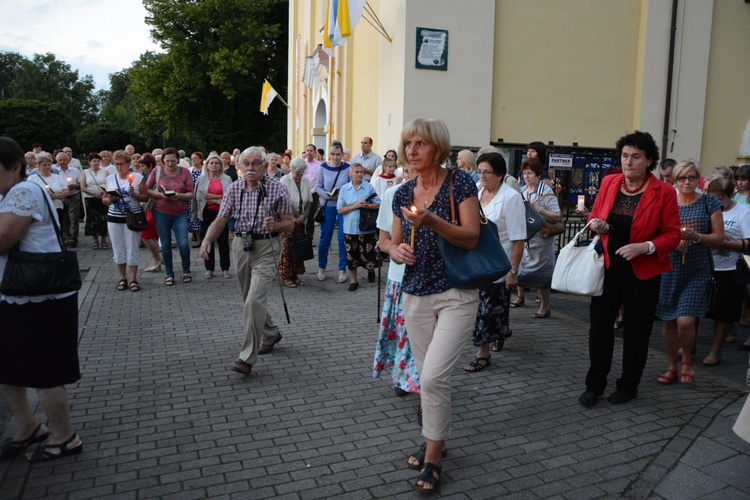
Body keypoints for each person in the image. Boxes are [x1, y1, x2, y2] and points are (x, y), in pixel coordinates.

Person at [387, 118, 481, 493]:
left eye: (420, 144)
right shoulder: (402, 192)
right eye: (408, 143)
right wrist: (397, 250)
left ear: (438, 148)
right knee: (429, 380)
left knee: (432, 377)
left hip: (456, 293)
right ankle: (434, 439)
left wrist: (433, 221)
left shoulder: (460, 183)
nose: (412, 151)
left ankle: (434, 458)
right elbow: (392, 244)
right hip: (415, 294)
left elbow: (472, 237)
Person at [579, 130, 682, 408]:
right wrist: (597, 225)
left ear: (649, 160)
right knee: (599, 328)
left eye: (636, 156)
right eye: (625, 156)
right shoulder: (611, 182)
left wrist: (645, 246)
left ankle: (628, 385)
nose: (628, 162)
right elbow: (595, 216)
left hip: (643, 273)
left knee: (637, 332)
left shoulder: (665, 192)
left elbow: (672, 235)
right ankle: (595, 384)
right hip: (609, 268)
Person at [0, 136, 82, 463]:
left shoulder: (22, 191)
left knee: (45, 371)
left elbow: (3, 240)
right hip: (21, 295)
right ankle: (28, 427)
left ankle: (65, 437)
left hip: (40, 297)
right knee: (7, 366)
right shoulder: (20, 190)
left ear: (15, 167)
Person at [200, 147, 293, 375]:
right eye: (246, 164)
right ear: (240, 166)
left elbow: (290, 223)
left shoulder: (277, 189)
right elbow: (221, 219)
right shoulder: (233, 189)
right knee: (249, 299)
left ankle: (246, 358)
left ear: (264, 166)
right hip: (241, 246)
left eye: (256, 164)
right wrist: (207, 240)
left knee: (253, 300)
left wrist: (277, 226)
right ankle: (271, 333)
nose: (251, 168)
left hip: (268, 247)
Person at [655, 159, 724, 385]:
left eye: (692, 177)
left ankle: (686, 359)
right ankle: (671, 366)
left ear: (698, 179)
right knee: (668, 321)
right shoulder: (666, 201)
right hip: (669, 268)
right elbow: (653, 233)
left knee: (685, 320)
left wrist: (697, 237)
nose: (687, 181)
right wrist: (672, 243)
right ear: (674, 179)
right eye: (682, 177)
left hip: (697, 268)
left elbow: (719, 238)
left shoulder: (709, 202)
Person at [464, 152, 526, 372]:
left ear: (499, 174)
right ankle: (503, 331)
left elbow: (519, 238)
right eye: (479, 171)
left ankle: (483, 354)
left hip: (499, 262)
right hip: (477, 262)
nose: (482, 176)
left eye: (486, 172)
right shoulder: (478, 192)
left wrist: (513, 270)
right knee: (484, 307)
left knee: (487, 308)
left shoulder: (511, 197)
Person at [373, 163, 421, 402]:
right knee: (404, 331)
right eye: (411, 168)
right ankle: (403, 374)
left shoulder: (439, 194)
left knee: (425, 334)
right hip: (400, 276)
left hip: (431, 279)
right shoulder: (393, 195)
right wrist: (394, 250)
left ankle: (419, 378)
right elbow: (383, 240)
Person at [702, 176, 750, 365]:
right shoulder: (706, 208)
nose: (715, 202)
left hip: (730, 269)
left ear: (731, 195)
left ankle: (715, 351)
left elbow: (748, 244)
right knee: (699, 309)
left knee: (724, 313)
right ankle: (690, 346)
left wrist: (726, 244)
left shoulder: (743, 212)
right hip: (706, 265)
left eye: (720, 199)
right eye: (712, 198)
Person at [515, 158, 561, 318]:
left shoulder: (545, 191)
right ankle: (521, 297)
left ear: (538, 174)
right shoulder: (522, 190)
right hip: (526, 238)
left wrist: (538, 208)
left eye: (530, 173)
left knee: (543, 275)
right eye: (525, 173)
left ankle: (545, 306)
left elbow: (557, 215)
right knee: (521, 270)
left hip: (542, 239)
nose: (527, 176)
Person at [146, 147, 195, 286]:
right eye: (167, 161)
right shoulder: (157, 171)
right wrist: (161, 195)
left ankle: (186, 270)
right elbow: (148, 188)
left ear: (178, 160)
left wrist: (178, 195)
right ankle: (169, 273)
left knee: (183, 244)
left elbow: (192, 193)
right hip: (161, 212)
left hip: (180, 212)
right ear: (163, 161)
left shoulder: (185, 172)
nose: (170, 164)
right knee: (166, 244)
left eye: (173, 161)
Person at [102, 150, 148, 292]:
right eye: (116, 164)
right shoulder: (110, 179)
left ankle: (133, 279)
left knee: (132, 247)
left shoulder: (137, 177)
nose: (119, 167)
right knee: (118, 248)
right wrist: (109, 199)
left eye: (121, 164)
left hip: (132, 217)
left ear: (128, 163)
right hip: (114, 218)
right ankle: (123, 278)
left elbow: (146, 197)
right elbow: (104, 199)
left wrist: (135, 194)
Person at [337, 162, 381, 291]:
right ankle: (353, 280)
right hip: (350, 228)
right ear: (351, 173)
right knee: (351, 256)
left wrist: (368, 206)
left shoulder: (369, 187)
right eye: (357, 172)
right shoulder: (345, 189)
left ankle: (370, 270)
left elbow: (379, 204)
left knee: (369, 253)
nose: (359, 174)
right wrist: (354, 206)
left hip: (366, 227)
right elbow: (340, 210)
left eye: (361, 172)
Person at [194, 153, 233, 279]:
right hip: (206, 212)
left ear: (220, 165)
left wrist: (211, 197)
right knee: (208, 240)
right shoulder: (202, 179)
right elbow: (199, 197)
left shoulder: (226, 179)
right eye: (211, 163)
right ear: (207, 165)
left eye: (216, 163)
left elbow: (230, 196)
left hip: (222, 213)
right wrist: (218, 199)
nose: (214, 165)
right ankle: (209, 268)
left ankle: (225, 268)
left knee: (223, 241)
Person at [316, 143, 351, 283]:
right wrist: (326, 195)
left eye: (338, 154)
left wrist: (341, 195)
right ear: (329, 155)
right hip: (328, 206)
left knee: (342, 238)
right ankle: (321, 267)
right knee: (325, 238)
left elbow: (350, 186)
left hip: (343, 207)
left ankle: (342, 268)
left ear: (342, 154)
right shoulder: (323, 167)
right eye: (333, 154)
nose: (335, 157)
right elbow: (318, 186)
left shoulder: (347, 167)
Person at [279, 158, 311, 287]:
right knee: (287, 247)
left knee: (298, 247)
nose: (300, 175)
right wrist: (296, 216)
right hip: (288, 219)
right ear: (292, 170)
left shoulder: (305, 181)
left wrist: (304, 215)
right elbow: (285, 201)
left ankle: (295, 274)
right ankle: (286, 275)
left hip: (301, 221)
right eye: (298, 172)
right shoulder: (284, 180)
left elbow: (309, 200)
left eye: (302, 172)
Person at [137, 154, 162, 272]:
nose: (141, 168)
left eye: (143, 166)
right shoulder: (145, 175)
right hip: (149, 208)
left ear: (150, 165)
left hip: (156, 207)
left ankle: (157, 258)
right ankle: (155, 259)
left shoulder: (157, 175)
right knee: (152, 235)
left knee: (145, 234)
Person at [80, 152, 109, 250]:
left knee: (103, 218)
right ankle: (95, 240)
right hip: (90, 198)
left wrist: (101, 192)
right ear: (89, 162)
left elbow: (108, 183)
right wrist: (93, 193)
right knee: (92, 219)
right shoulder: (85, 172)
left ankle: (104, 240)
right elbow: (83, 186)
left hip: (102, 197)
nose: (96, 163)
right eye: (94, 161)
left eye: (97, 161)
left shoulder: (105, 171)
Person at [28, 152, 68, 220]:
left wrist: (56, 196)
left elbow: (66, 191)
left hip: (57, 207)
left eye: (49, 165)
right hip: (40, 209)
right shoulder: (32, 178)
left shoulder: (58, 177)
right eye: (44, 165)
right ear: (39, 166)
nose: (47, 167)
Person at [56, 151, 82, 247]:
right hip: (62, 197)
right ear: (57, 161)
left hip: (73, 195)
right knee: (65, 218)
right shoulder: (55, 171)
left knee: (73, 217)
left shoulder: (75, 171)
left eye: (64, 159)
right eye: (60, 160)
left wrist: (75, 185)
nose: (62, 161)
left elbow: (81, 184)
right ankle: (67, 236)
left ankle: (73, 238)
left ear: (68, 160)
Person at [303, 143, 322, 241]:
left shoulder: (319, 165)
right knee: (301, 215)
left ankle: (309, 239)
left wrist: (312, 191)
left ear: (315, 152)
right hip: (302, 194)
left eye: (311, 151)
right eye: (307, 150)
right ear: (305, 152)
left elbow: (319, 180)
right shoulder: (302, 164)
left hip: (314, 194)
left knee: (310, 216)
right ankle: (301, 237)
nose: (309, 153)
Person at [188, 152, 205, 247]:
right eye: (192, 158)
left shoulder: (205, 170)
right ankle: (198, 239)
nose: (193, 160)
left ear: (201, 159)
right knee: (194, 219)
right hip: (191, 198)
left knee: (202, 217)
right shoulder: (189, 170)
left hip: (201, 197)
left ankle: (205, 237)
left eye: (195, 158)